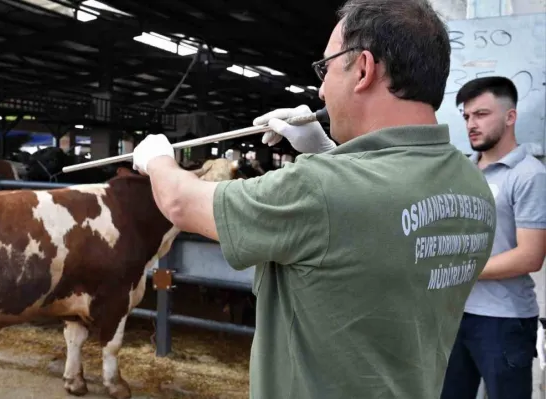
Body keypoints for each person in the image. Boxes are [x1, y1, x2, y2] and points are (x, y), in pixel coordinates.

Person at [132, 0, 497, 397]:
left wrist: (158, 160)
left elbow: (182, 203)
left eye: (326, 68)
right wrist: (325, 151)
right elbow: (372, 229)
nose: (321, 88)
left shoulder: (320, 188)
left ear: (363, 69)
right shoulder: (471, 184)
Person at [440, 76, 546, 399]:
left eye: (481, 114)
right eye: (467, 116)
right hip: (457, 315)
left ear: (510, 117)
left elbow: (531, 255)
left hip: (504, 321)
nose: (472, 123)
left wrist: (462, 269)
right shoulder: (463, 172)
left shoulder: (529, 175)